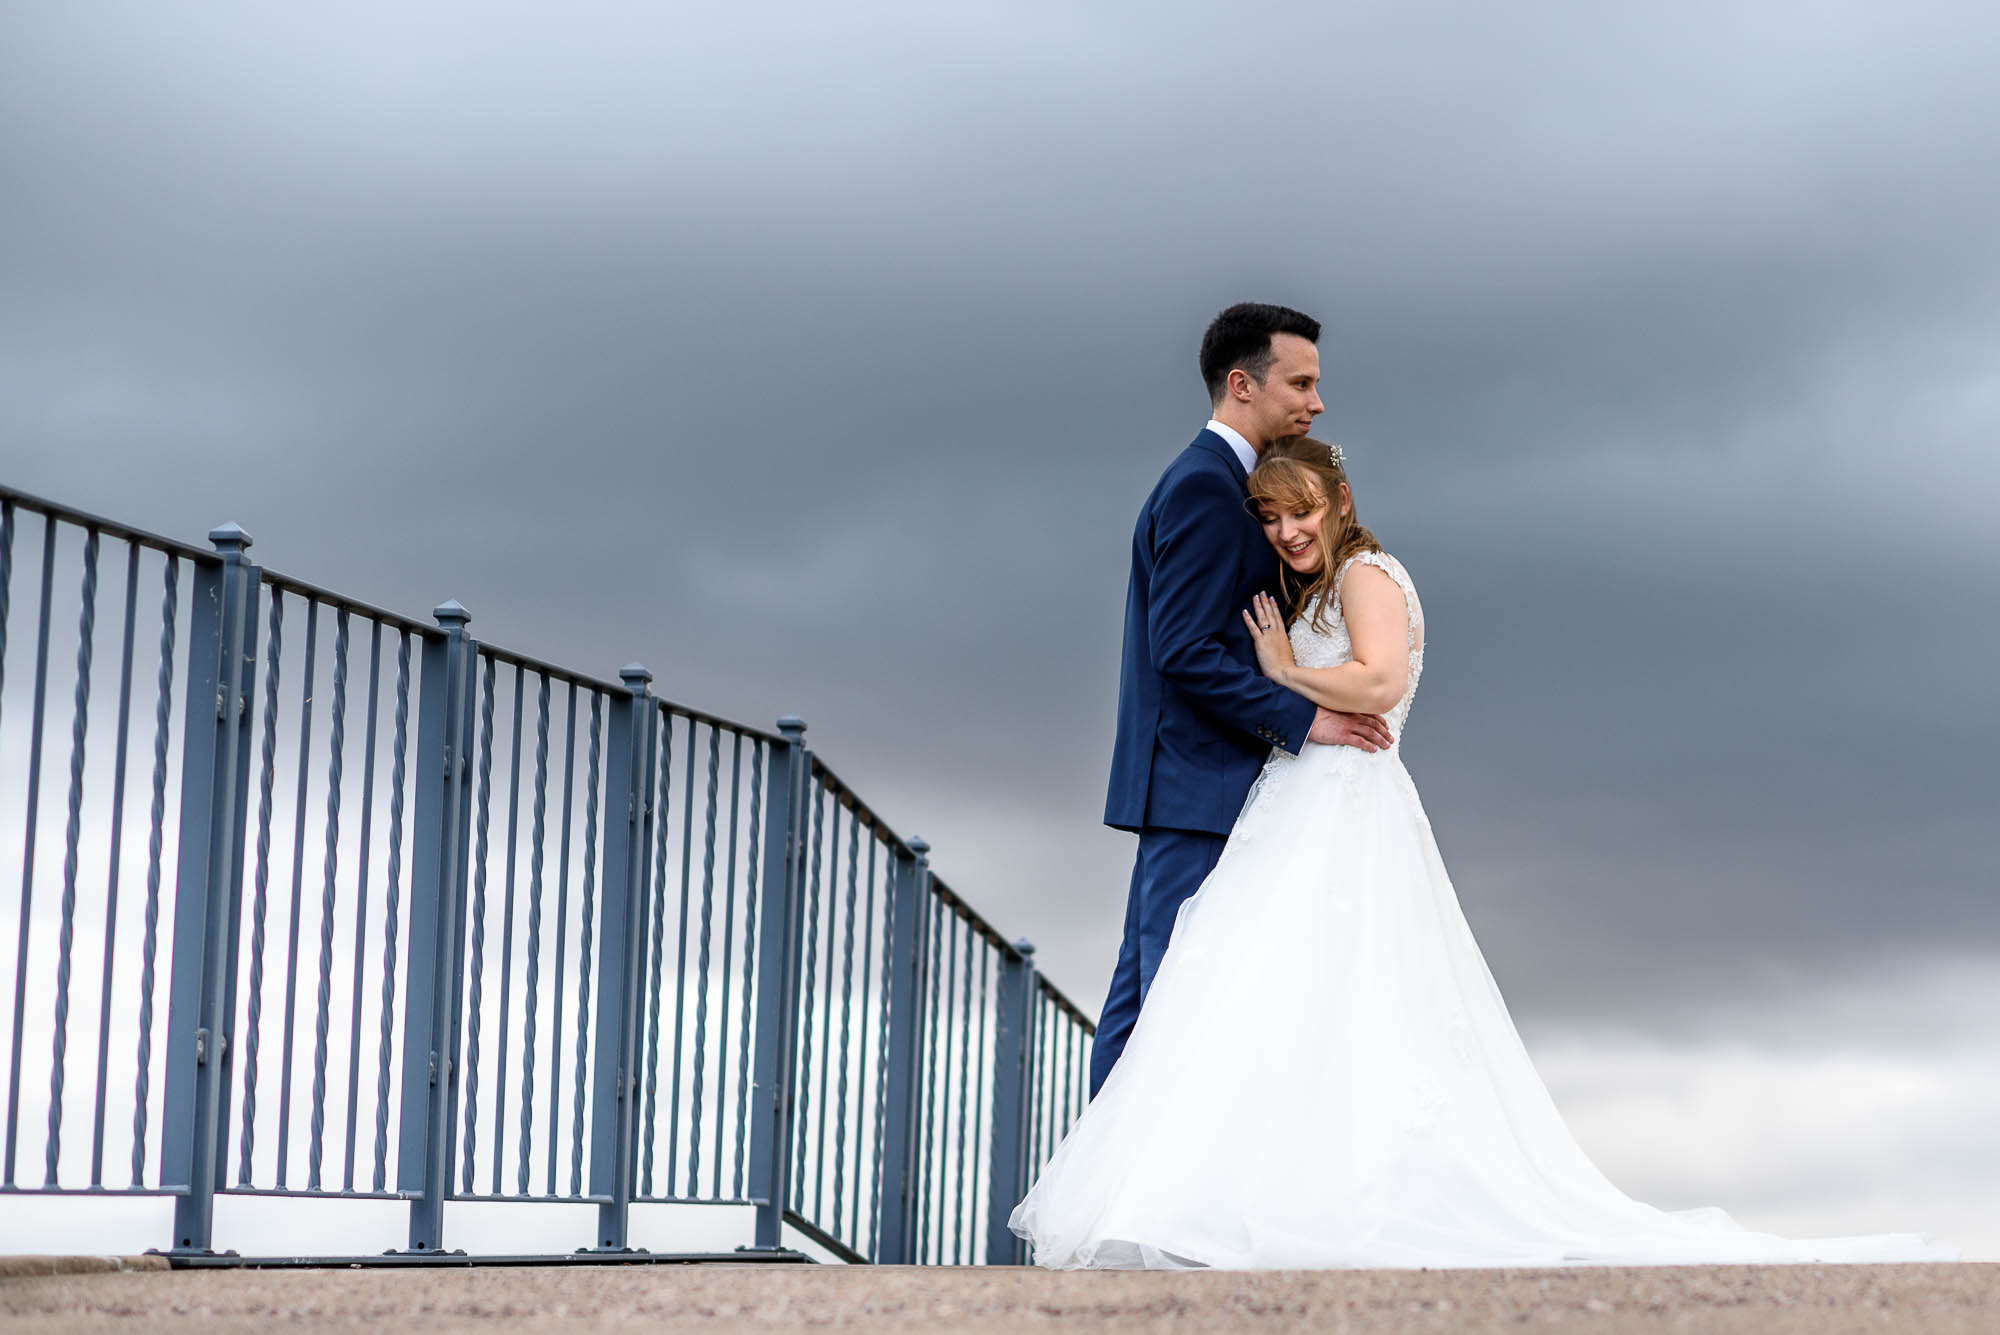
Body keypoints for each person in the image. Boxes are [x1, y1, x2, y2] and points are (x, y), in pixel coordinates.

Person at [1010, 438, 1956, 1268]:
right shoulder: (1317, 583)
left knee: (1336, 994)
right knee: (1271, 995)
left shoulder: (1370, 577)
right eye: (1271, 517)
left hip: (1347, 805)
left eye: (1298, 512)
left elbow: (1378, 682)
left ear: (1337, 503)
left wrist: (1284, 671)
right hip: (1297, 806)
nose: (1287, 531)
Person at [1094, 302, 1391, 1097]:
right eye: (1300, 382)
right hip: (1199, 786)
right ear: (1241, 384)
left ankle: (1096, 1212)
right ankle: (1133, 1214)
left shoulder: (1229, 486)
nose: (1316, 402)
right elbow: (1184, 649)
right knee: (1173, 1010)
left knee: (1144, 1008)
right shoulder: (1203, 487)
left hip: (1196, 786)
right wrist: (1306, 715)